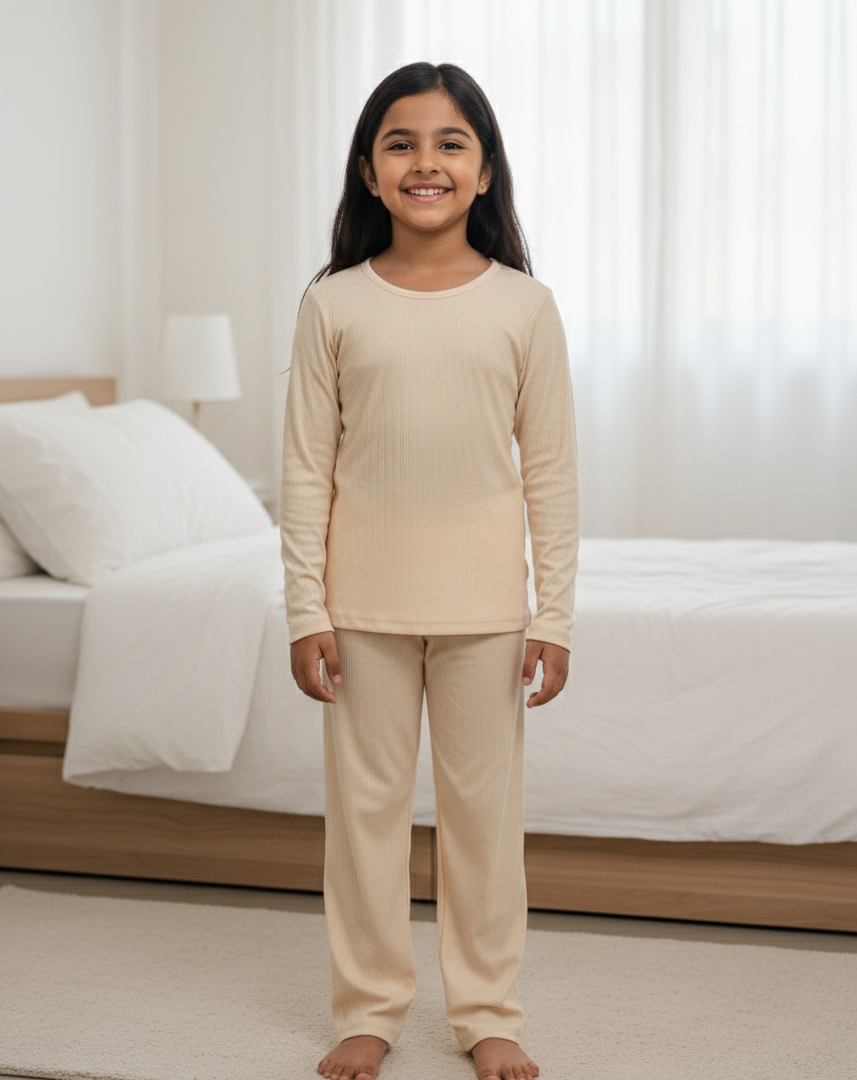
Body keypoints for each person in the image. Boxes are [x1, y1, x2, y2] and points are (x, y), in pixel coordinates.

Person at [280, 60, 580, 1080]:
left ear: (486, 171)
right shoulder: (332, 306)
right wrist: (304, 611)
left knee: (484, 824)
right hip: (360, 607)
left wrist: (556, 617)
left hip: (488, 610)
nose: (426, 162)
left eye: (450, 143)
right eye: (401, 143)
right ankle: (367, 1006)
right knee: (361, 821)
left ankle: (487, 1009)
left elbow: (551, 475)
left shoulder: (526, 307)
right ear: (369, 172)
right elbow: (306, 472)